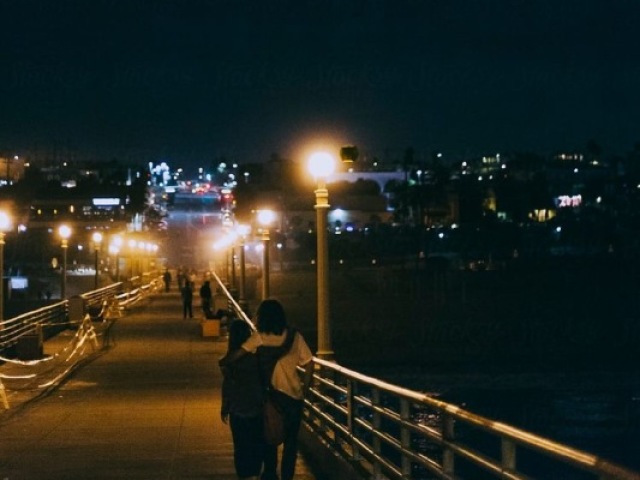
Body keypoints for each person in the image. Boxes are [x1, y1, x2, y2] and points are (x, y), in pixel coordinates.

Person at [221, 299, 313, 480]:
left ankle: (270, 473)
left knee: (268, 438)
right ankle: (287, 476)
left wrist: (225, 361)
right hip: (294, 397)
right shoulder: (295, 337)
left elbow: (238, 355)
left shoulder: (259, 338)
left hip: (270, 398)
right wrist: (306, 387)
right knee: (291, 443)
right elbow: (309, 362)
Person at [220, 320, 265, 480]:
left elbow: (227, 386)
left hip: (237, 408)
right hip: (256, 406)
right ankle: (255, 471)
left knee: (240, 444)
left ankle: (244, 474)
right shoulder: (256, 360)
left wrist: (225, 406)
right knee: (256, 441)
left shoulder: (230, 362)